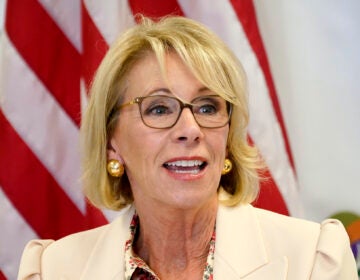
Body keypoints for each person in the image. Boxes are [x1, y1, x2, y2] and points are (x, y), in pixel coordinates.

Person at [17, 16, 357, 280]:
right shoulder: (52, 269)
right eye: (159, 109)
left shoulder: (312, 259)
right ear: (111, 143)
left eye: (208, 107)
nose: (190, 129)